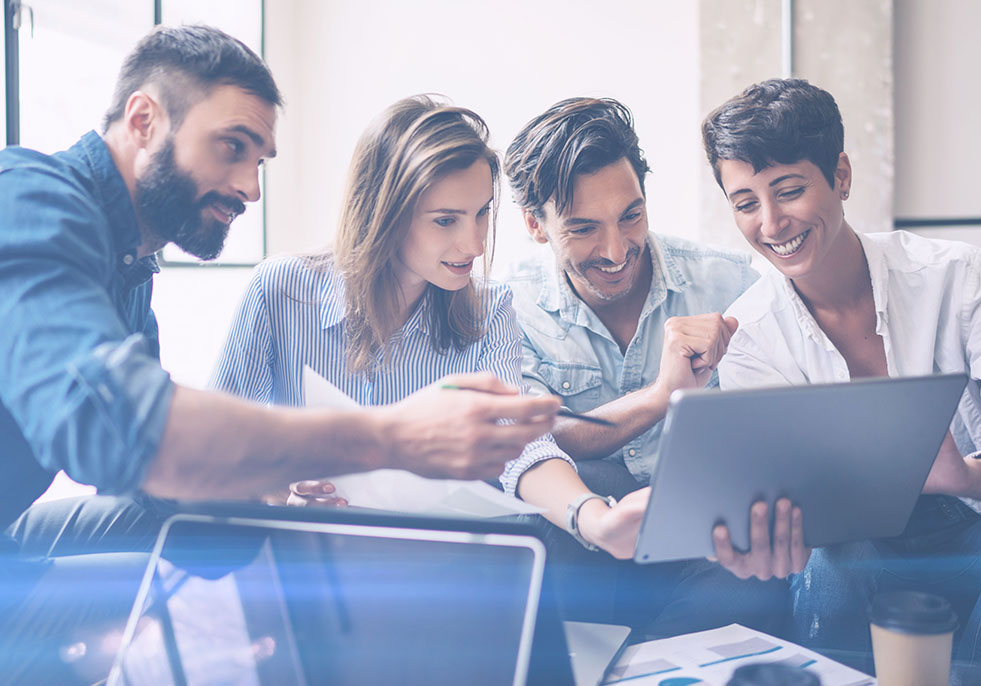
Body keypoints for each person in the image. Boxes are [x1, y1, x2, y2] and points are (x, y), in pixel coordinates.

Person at [0, 26, 557, 684]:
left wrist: (269, 487)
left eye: (259, 161)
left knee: (228, 544)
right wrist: (389, 437)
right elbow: (123, 431)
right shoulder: (27, 202)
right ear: (144, 119)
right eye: (232, 148)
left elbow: (156, 484)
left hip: (16, 540)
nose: (250, 188)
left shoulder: (130, 268)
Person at [702, 77, 981, 663]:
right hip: (849, 542)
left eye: (788, 191)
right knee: (836, 566)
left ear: (840, 175)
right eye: (745, 204)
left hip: (976, 519)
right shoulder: (748, 335)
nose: (770, 222)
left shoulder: (962, 278)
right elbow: (790, 506)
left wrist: (967, 478)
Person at [501, 97, 787, 637]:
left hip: (706, 541)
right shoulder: (508, 307)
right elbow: (533, 439)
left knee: (755, 576)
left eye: (631, 216)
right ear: (536, 225)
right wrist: (662, 395)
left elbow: (778, 428)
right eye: (584, 228)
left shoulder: (729, 286)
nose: (616, 250)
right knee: (548, 506)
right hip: (583, 539)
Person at [210, 95, 570, 501]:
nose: (475, 244)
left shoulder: (491, 308)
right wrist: (279, 496)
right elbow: (217, 450)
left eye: (482, 213)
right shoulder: (279, 290)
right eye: (446, 220)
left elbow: (518, 448)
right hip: (306, 550)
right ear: (385, 213)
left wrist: (588, 513)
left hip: (429, 551)